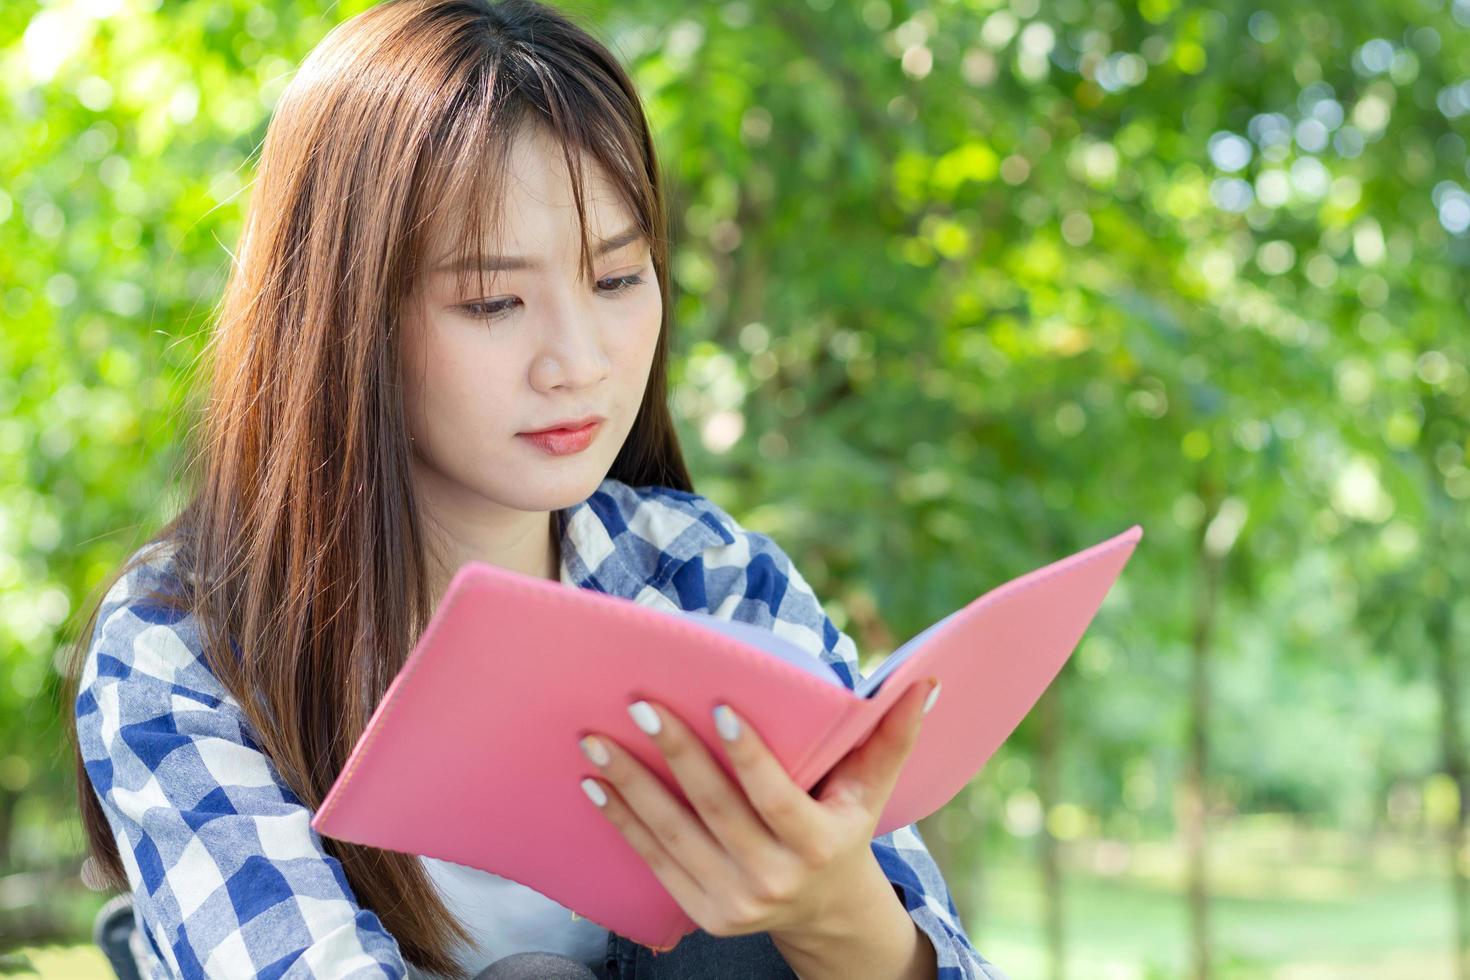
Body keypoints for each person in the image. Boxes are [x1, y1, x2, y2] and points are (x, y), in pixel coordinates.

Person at [62, 0, 1010, 977]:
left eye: (615, 279)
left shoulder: (704, 576)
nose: (579, 362)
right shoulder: (191, 638)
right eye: (493, 300)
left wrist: (836, 911)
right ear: (345, 319)